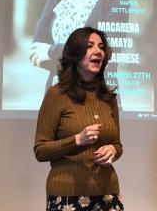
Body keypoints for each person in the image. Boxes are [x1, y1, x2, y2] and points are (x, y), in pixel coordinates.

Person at [34, 27, 124, 211]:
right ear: (75, 55)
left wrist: (113, 150)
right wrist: (76, 140)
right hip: (67, 196)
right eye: (90, 46)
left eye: (101, 47)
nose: (98, 51)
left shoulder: (109, 97)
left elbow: (118, 145)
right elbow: (40, 150)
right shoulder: (57, 94)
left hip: (107, 194)